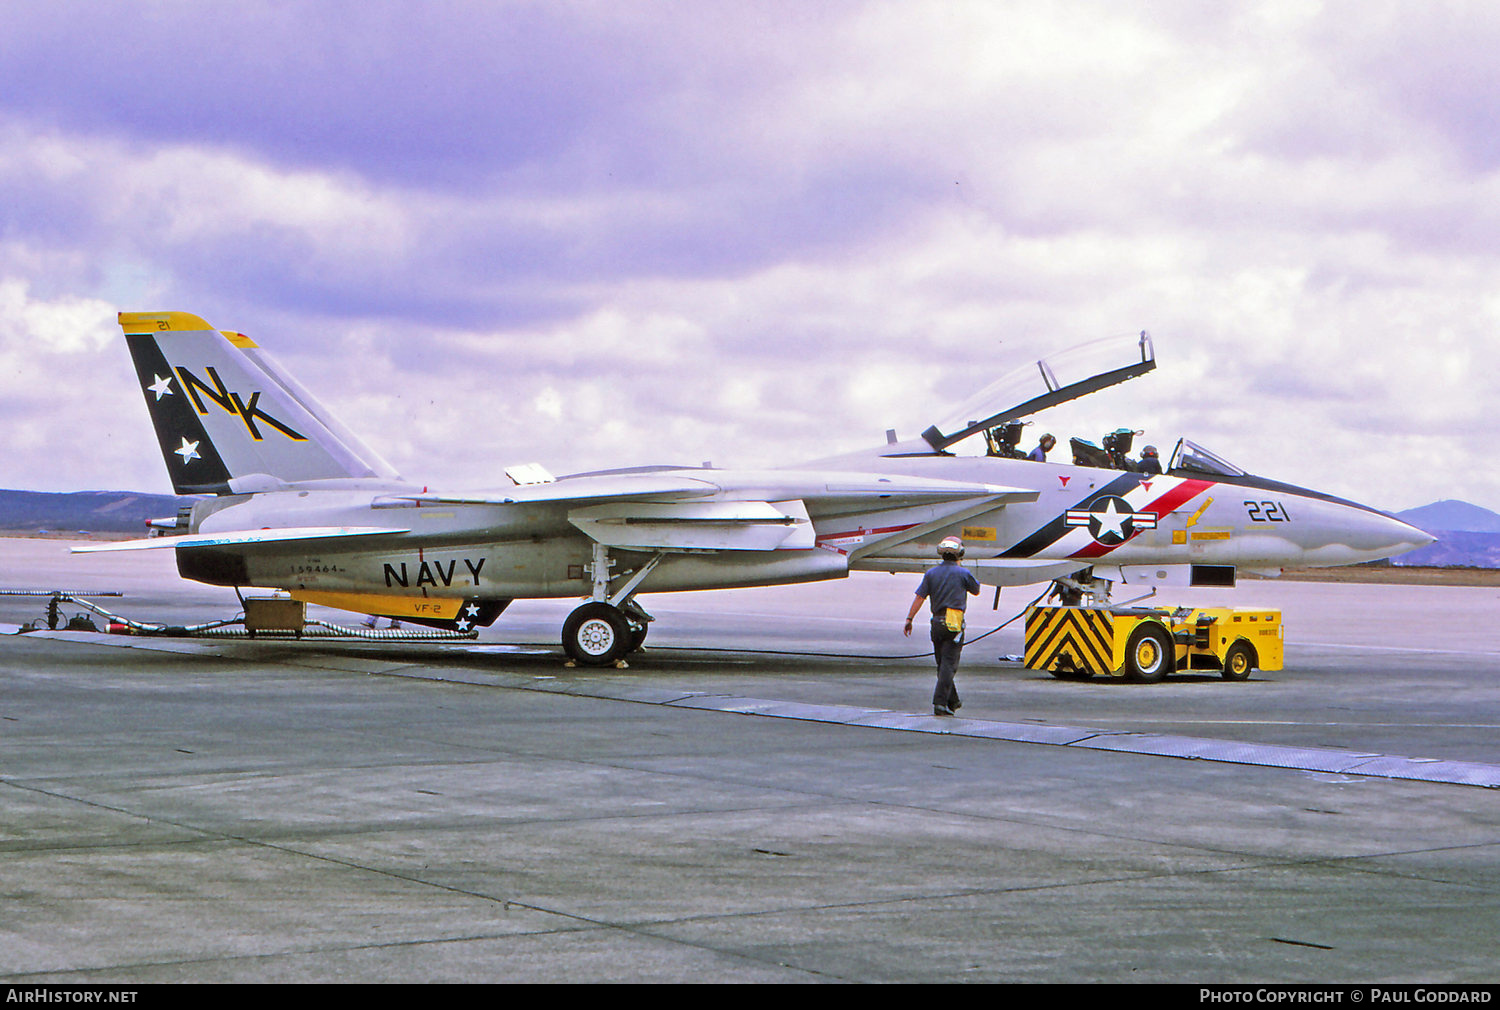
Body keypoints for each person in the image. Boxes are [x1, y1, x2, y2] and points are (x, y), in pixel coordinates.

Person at [904, 536, 981, 716]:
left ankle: (952, 700)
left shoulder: (931, 573)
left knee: (942, 663)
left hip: (936, 623)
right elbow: (976, 590)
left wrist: (909, 619)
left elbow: (919, 597)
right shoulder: (963, 573)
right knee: (948, 665)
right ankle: (940, 703)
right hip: (954, 623)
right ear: (960, 553)